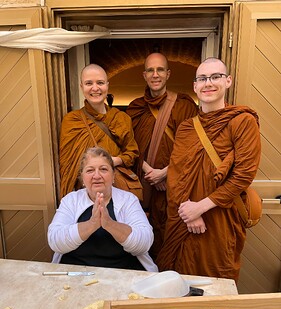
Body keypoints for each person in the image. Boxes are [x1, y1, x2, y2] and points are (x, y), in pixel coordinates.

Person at [157, 57, 261, 282]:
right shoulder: (186, 128)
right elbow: (175, 176)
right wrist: (188, 212)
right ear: (195, 86)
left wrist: (201, 208)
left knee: (215, 281)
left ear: (228, 81)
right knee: (178, 281)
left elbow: (243, 175)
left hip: (219, 219)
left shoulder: (242, 122)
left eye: (215, 77)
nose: (208, 83)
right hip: (184, 219)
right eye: (202, 78)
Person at [126, 52, 198, 260]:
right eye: (150, 70)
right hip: (143, 189)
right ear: (144, 75)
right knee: (140, 242)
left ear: (168, 74)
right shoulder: (135, 108)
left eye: (160, 70)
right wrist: (149, 171)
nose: (155, 74)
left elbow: (193, 148)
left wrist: (165, 173)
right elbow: (128, 146)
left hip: (175, 191)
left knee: (170, 242)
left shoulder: (184, 106)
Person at [48, 147, 157, 271]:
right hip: (76, 273)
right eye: (90, 170)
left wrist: (110, 224)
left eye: (103, 169)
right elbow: (55, 241)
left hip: (123, 273)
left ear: (113, 175)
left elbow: (144, 243)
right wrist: (92, 224)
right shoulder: (70, 200)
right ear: (82, 177)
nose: (97, 175)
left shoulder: (128, 200)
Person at [59, 64, 139, 198]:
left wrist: (114, 161)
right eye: (89, 83)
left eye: (100, 83)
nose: (95, 88)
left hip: (115, 191)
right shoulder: (72, 120)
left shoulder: (121, 118)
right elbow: (67, 166)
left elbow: (132, 153)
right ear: (81, 87)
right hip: (84, 193)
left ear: (107, 85)